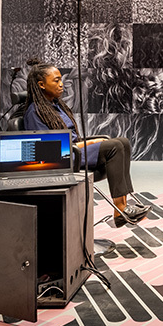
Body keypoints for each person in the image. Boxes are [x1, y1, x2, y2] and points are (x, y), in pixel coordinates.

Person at [23, 59, 149, 227]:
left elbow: (73, 138)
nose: (62, 84)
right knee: (115, 147)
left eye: (61, 79)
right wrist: (89, 143)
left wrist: (90, 142)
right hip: (63, 158)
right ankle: (120, 210)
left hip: (75, 151)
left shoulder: (56, 106)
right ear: (41, 84)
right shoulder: (35, 112)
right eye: (56, 80)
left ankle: (124, 205)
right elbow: (49, 148)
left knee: (123, 142)